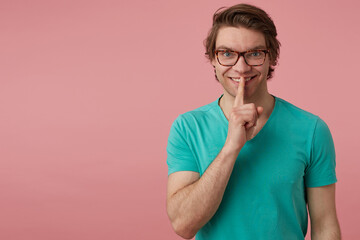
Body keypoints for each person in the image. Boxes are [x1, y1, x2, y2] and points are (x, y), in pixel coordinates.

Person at [166, 3, 341, 240]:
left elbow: (325, 225)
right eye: (227, 53)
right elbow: (183, 225)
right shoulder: (187, 128)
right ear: (213, 60)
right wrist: (231, 148)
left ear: (271, 57)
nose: (241, 67)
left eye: (254, 53)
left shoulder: (312, 130)